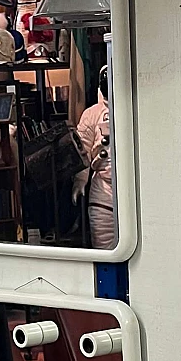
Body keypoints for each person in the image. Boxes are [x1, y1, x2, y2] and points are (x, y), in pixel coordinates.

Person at [76, 67, 115, 248]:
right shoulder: (92, 114)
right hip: (104, 193)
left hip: (135, 190)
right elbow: (82, 151)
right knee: (105, 250)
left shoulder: (136, 108)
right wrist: (80, 180)